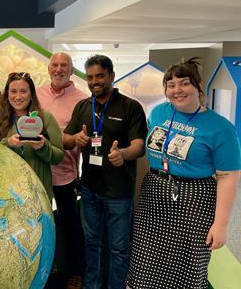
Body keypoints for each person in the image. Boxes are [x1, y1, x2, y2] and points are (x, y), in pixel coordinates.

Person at [126, 58, 241, 289]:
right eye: (171, 84)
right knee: (145, 258)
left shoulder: (220, 128)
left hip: (194, 200)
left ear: (198, 86)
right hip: (155, 194)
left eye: (184, 83)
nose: (177, 89)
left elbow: (228, 177)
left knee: (187, 263)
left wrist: (220, 225)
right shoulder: (158, 113)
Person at [63, 55, 147, 289]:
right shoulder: (82, 106)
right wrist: (75, 138)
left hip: (119, 192)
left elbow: (139, 146)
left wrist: (123, 154)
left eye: (100, 76)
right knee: (92, 244)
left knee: (119, 248)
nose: (94, 81)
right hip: (90, 189)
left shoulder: (130, 107)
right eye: (90, 77)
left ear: (111, 75)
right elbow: (65, 139)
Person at [37, 52, 87, 282]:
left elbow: (81, 137)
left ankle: (75, 274)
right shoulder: (37, 94)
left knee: (70, 227)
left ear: (71, 70)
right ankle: (43, 271)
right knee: (40, 227)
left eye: (63, 65)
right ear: (49, 68)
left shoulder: (82, 99)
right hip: (37, 175)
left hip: (65, 176)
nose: (58, 69)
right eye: (54, 65)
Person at [0, 72, 64, 201]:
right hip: (6, 194)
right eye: (13, 91)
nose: (18, 96)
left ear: (31, 94)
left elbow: (58, 156)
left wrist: (43, 147)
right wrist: (7, 143)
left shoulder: (46, 118)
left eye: (23, 91)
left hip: (38, 194)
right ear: (7, 94)